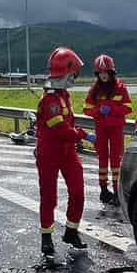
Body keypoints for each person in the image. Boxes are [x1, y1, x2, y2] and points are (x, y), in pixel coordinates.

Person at [36, 47, 90, 257]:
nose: (75, 79)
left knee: (78, 192)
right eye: (74, 75)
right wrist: (84, 135)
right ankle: (46, 237)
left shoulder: (63, 96)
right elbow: (61, 130)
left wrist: (77, 137)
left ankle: (71, 231)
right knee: (49, 197)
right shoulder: (49, 101)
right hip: (49, 154)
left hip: (68, 153)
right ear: (66, 72)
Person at [83, 54, 133, 205]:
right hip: (101, 129)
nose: (103, 75)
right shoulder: (94, 89)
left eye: (105, 72)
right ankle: (104, 190)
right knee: (103, 159)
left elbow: (128, 108)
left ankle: (117, 192)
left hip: (116, 128)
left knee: (116, 159)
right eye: (100, 73)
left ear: (111, 72)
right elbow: (86, 109)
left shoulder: (120, 88)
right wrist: (98, 111)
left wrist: (111, 108)